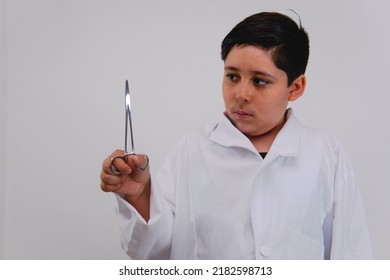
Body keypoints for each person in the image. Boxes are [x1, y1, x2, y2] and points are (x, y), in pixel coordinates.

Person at [100, 11, 373, 259]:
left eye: (260, 81)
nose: (241, 95)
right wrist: (140, 196)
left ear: (295, 87)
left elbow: (353, 254)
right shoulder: (191, 150)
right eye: (232, 76)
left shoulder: (327, 155)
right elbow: (152, 251)